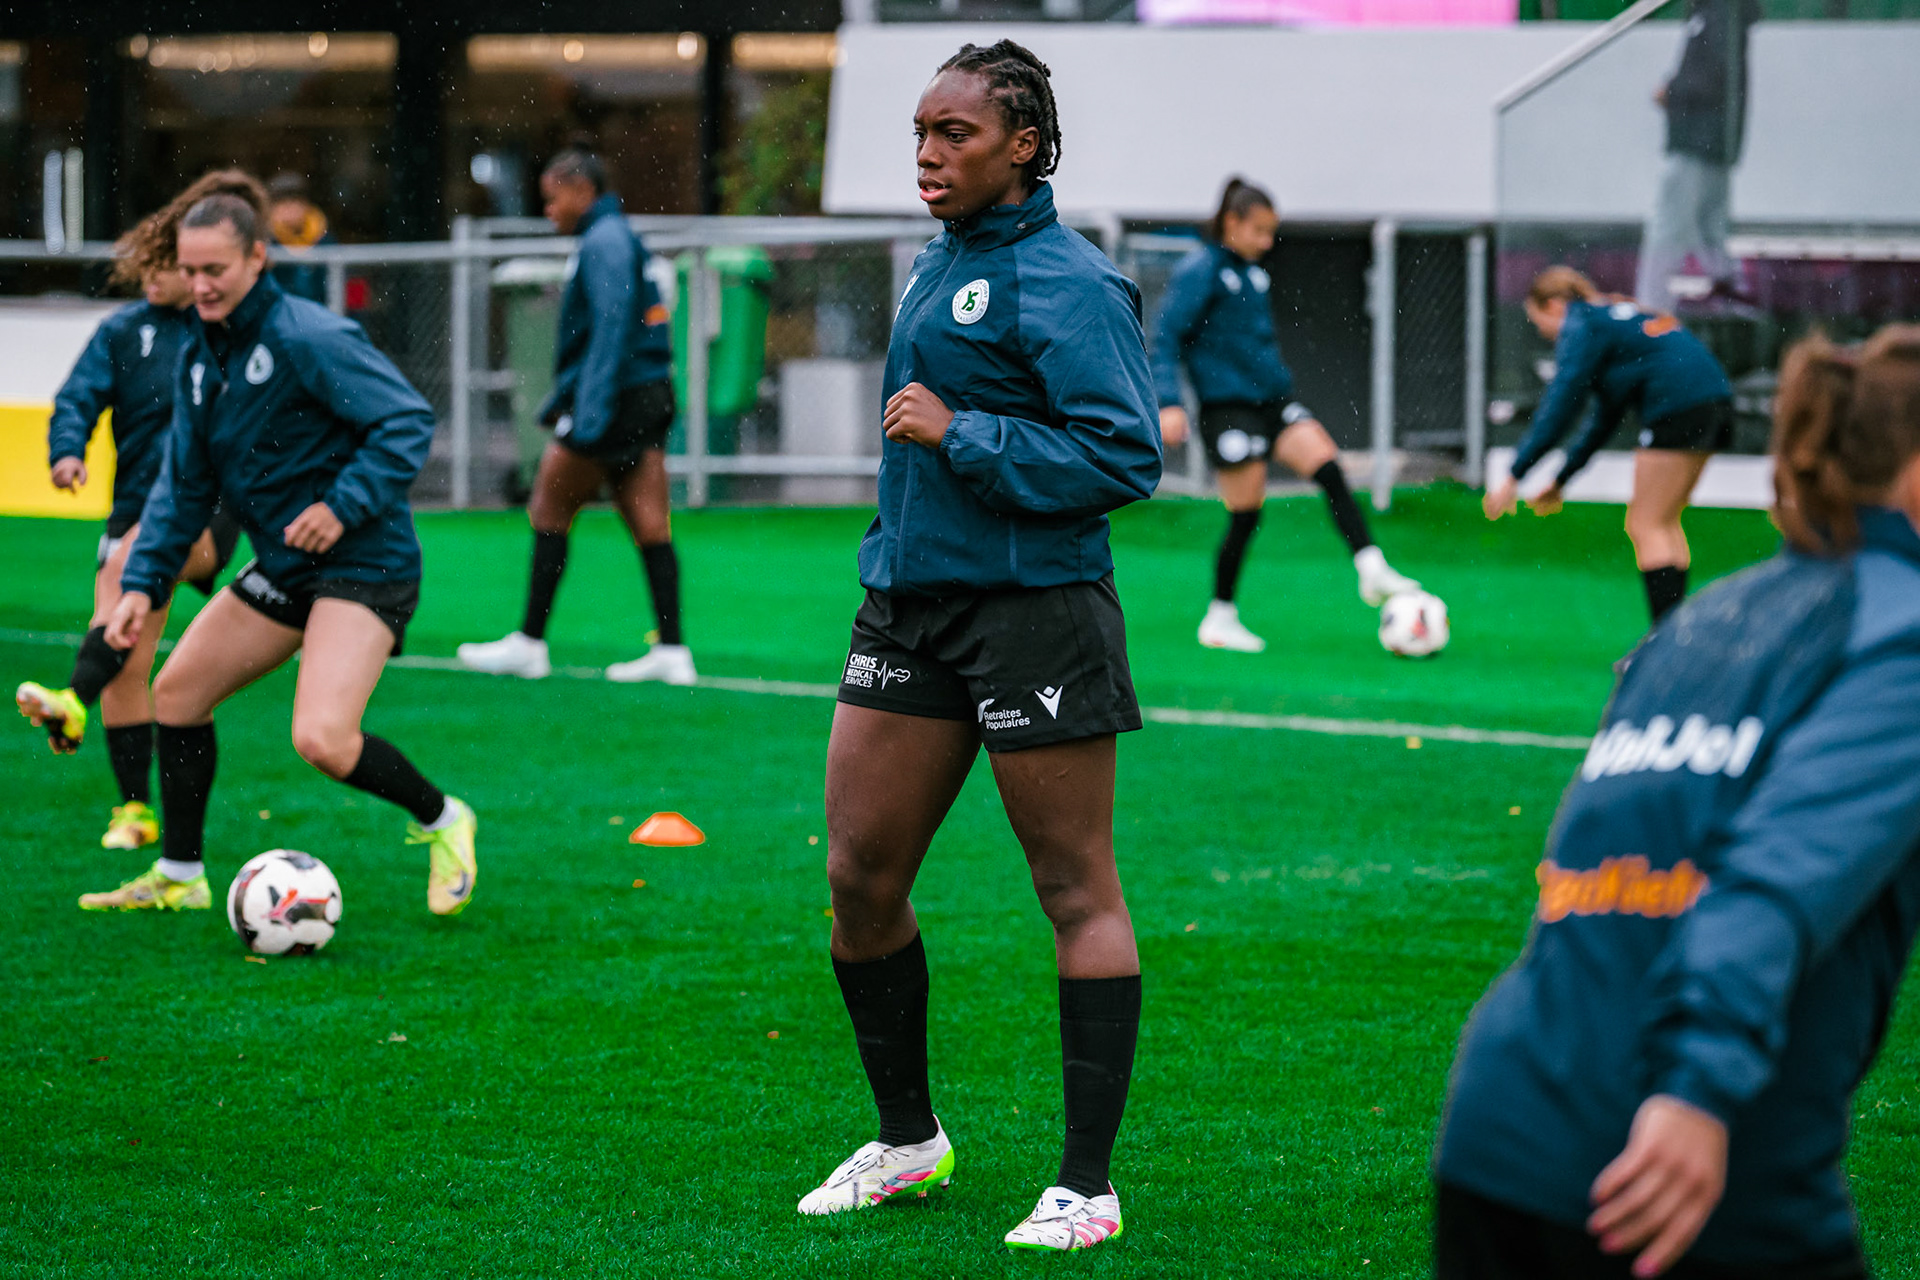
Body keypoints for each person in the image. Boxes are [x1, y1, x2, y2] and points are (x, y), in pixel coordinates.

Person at [1436, 324, 1920, 1280]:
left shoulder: (1704, 620)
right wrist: (1694, 1092)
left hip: (1497, 1128)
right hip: (1677, 1167)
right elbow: (1767, 885)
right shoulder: (1898, 635)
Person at [797, 41, 1160, 1253]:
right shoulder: (934, 264)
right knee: (858, 875)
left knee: (1073, 890)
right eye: (919, 133)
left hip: (1034, 612)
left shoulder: (1072, 282)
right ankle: (909, 1142)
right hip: (909, 605)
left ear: (1025, 145)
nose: (928, 156)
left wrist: (967, 435)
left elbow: (1125, 458)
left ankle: (1087, 1186)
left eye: (954, 134)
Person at [80, 183, 476, 917]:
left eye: (215, 271)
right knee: (177, 693)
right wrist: (141, 583)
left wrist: (341, 505)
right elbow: (182, 485)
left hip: (366, 564)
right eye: (189, 270)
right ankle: (180, 874)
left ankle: (444, 818)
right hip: (288, 567)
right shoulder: (199, 355)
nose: (199, 285)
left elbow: (405, 423)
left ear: (258, 258)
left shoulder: (307, 337)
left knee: (323, 739)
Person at [14, 172, 255, 852]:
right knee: (126, 647)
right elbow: (76, 400)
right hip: (132, 509)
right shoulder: (122, 333)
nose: (153, 280)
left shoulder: (224, 330)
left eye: (167, 269)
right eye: (145, 268)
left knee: (129, 573)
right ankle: (134, 809)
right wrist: (68, 451)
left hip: (204, 513)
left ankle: (72, 700)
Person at [1151, 177, 1419, 653]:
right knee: (1246, 514)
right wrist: (1168, 401)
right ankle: (1220, 616)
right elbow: (1165, 336)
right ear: (1232, 223)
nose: (1267, 242)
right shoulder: (1202, 269)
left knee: (1328, 466)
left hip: (1272, 403)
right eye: (1259, 231)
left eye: (1271, 232)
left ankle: (1370, 567)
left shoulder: (1254, 273)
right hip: (1228, 409)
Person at [456, 149, 688, 685]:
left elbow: (611, 326)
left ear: (581, 189)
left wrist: (589, 412)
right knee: (650, 522)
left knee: (548, 506)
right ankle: (673, 652)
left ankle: (530, 643)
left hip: (618, 398)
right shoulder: (617, 235)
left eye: (552, 196)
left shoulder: (602, 240)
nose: (549, 210)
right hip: (648, 392)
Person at [1484, 267, 1735, 624]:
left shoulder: (1581, 324)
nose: (1544, 334)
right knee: (1662, 522)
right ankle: (1676, 640)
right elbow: (1603, 419)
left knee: (1646, 525)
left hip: (1678, 406)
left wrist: (1514, 473)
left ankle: (1662, 649)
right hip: (1714, 400)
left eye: (1538, 322)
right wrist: (1561, 479)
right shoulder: (1610, 319)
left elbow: (1562, 403)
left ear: (1554, 305)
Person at [1636, 0, 1761, 314]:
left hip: (1698, 142)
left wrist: (1673, 91)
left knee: (1670, 224)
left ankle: (1651, 310)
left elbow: (1712, 75)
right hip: (1711, 142)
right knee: (1709, 226)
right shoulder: (1716, 14)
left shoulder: (1719, 13)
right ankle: (1729, 291)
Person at [266, 173, 337, 305]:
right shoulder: (265, 243)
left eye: (295, 202)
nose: (289, 210)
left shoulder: (324, 239)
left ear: (306, 205)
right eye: (282, 204)